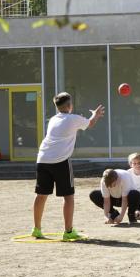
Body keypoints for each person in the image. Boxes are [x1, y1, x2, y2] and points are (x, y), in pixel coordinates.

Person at [31, 92, 104, 240]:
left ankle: (37, 229)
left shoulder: (52, 119)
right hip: (60, 161)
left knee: (41, 195)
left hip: (43, 159)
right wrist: (95, 115)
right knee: (68, 197)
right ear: (69, 106)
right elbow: (90, 124)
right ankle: (68, 231)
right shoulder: (73, 118)